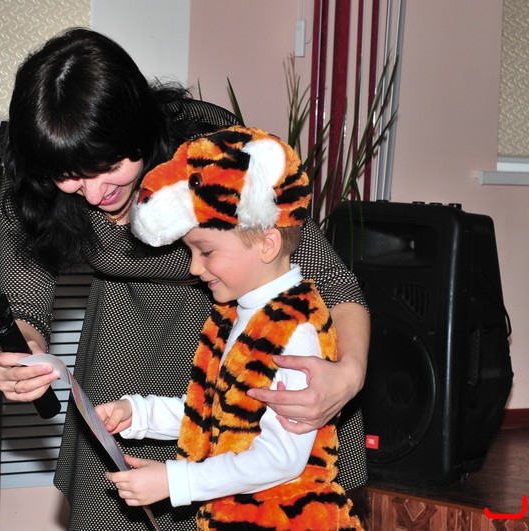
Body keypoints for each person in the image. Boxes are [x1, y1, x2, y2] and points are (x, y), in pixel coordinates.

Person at [0, 27, 370, 531]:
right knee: (117, 504)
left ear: (140, 128)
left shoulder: (208, 151)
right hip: (124, 337)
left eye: (109, 165)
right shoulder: (37, 177)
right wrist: (24, 353)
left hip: (227, 333)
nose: (94, 193)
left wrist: (349, 375)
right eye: (71, 176)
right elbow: (24, 289)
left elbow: (330, 282)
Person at [96, 125, 363, 530]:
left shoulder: (294, 331)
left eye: (205, 251)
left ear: (267, 245)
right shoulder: (236, 315)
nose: (194, 267)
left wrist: (177, 481)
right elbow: (216, 414)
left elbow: (281, 459)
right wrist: (138, 413)